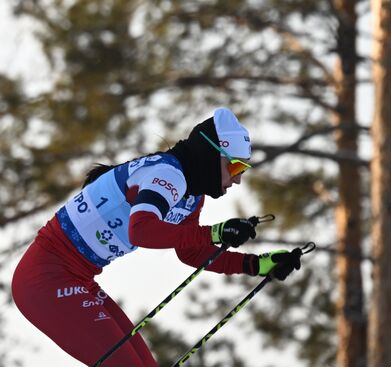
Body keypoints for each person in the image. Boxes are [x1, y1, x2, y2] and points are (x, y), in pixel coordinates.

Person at [11, 107, 302, 367]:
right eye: (236, 166)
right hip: (46, 280)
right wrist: (216, 231)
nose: (238, 179)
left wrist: (255, 265)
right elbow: (141, 229)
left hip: (78, 279)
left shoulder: (192, 196)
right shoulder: (168, 174)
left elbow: (190, 252)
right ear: (213, 155)